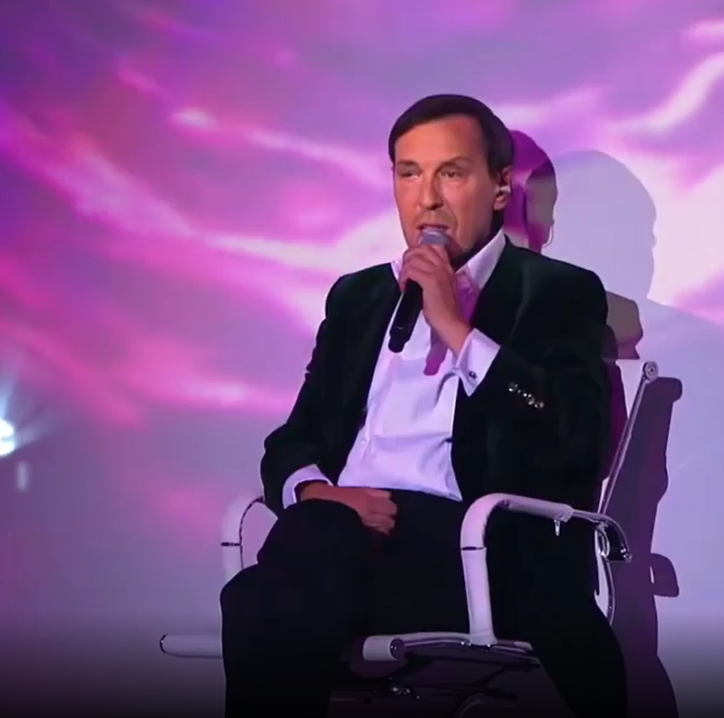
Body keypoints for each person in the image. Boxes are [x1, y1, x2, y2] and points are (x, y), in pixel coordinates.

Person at [220, 94, 627, 718]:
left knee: (264, 596)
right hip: (340, 540)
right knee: (283, 573)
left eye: (451, 173)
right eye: (409, 173)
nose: (427, 199)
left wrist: (457, 330)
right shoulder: (359, 296)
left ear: (499, 188)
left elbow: (571, 436)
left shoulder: (556, 292)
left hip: (474, 548)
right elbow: (292, 441)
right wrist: (318, 493)